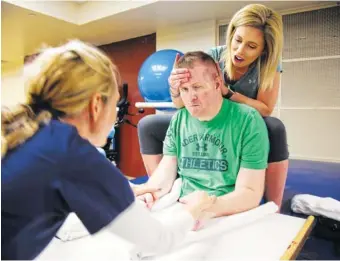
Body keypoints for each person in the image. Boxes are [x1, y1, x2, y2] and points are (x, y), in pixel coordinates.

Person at [1, 40, 216, 260]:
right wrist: (195, 208)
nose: (114, 116)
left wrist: (119, 190)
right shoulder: (73, 154)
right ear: (96, 106)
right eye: (114, 104)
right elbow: (162, 240)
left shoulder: (28, 133)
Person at [138, 4, 288, 209]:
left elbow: (265, 108)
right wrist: (175, 87)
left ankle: (274, 205)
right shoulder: (215, 56)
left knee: (275, 127)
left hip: (240, 119)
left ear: (264, 50)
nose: (240, 50)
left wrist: (227, 93)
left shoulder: (269, 66)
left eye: (251, 46)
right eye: (238, 40)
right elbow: (181, 104)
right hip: (206, 116)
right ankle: (160, 190)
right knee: (149, 124)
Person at [138, 51, 269, 229]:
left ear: (217, 84)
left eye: (198, 87)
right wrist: (150, 192)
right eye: (184, 89)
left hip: (227, 210)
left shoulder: (248, 120)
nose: (191, 97)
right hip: (182, 207)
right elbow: (165, 171)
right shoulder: (179, 119)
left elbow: (250, 192)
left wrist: (210, 205)